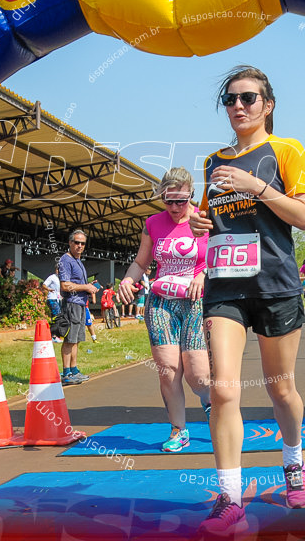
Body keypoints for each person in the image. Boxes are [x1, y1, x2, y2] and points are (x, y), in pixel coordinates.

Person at [189, 66, 305, 532]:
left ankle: (294, 461)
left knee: (280, 388)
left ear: (268, 104)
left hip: (275, 284)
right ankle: (228, 497)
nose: (238, 106)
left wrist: (258, 188)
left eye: (248, 98)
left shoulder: (286, 150)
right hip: (224, 286)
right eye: (230, 99)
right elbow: (212, 216)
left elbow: (303, 215)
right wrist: (201, 223)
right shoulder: (212, 162)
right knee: (223, 389)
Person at [119, 167, 211, 453]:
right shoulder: (153, 224)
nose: (174, 207)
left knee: (198, 375)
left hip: (194, 301)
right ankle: (178, 429)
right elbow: (141, 262)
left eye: (180, 201)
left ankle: (213, 405)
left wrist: (202, 274)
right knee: (169, 369)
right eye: (168, 200)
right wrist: (126, 280)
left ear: (191, 197)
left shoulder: (204, 220)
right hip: (161, 302)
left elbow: (220, 256)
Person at [58, 229, 96, 385]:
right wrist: (85, 287)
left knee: (76, 339)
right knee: (69, 339)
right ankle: (66, 373)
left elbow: (77, 283)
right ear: (70, 243)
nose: (80, 246)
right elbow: (65, 285)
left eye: (82, 243)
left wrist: (88, 286)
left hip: (80, 304)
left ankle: (74, 370)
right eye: (77, 242)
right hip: (72, 304)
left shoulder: (78, 260)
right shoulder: (65, 260)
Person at [43, 266, 64, 343]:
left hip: (58, 299)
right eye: (57, 269)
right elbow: (44, 284)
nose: (58, 271)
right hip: (52, 299)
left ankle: (55, 335)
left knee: (56, 317)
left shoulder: (61, 278)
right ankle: (54, 336)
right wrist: (48, 289)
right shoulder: (52, 277)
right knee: (57, 317)